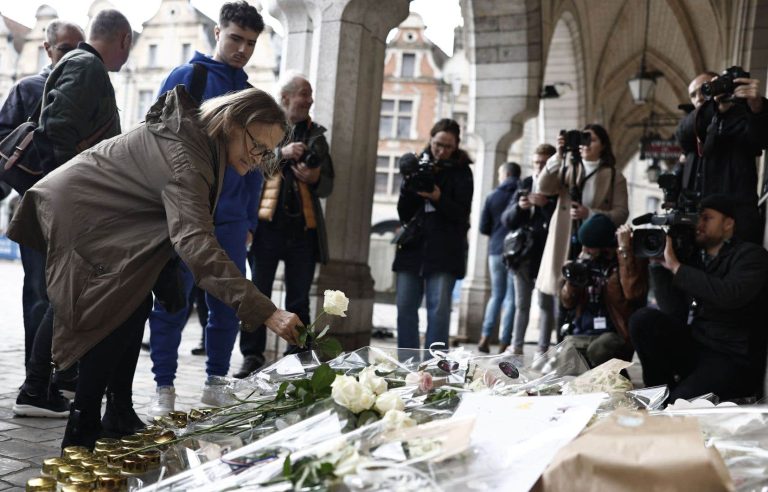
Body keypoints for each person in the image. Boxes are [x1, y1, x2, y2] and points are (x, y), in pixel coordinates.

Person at [7, 86, 303, 449]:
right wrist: (268, 311)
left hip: (107, 216)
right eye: (257, 146)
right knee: (112, 309)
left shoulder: (203, 144)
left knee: (134, 304)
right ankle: (81, 428)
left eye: (267, 152)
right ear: (231, 123)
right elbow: (195, 242)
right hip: (84, 214)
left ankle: (118, 413)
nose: (259, 158)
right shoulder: (188, 158)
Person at [146, 0, 266, 417]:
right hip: (184, 215)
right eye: (235, 38)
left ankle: (216, 383)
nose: (242, 50)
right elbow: (154, 142)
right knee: (172, 304)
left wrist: (249, 220)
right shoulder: (188, 78)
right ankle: (164, 388)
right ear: (218, 33)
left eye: (251, 43)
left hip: (232, 219)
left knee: (229, 305)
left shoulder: (252, 95)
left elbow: (257, 164)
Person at [11, 10, 131, 419]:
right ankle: (36, 388)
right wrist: (79, 195)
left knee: (64, 296)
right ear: (124, 40)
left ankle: (47, 382)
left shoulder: (84, 66)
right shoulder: (86, 67)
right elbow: (56, 133)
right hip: (70, 207)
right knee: (58, 296)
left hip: (70, 204)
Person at [235, 73, 335, 377]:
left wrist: (316, 178)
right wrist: (282, 153)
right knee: (258, 293)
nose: (309, 100)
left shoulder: (317, 136)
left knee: (299, 298)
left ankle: (298, 356)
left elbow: (329, 184)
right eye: (304, 94)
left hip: (303, 231)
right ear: (286, 98)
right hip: (266, 228)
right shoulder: (267, 128)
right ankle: (252, 356)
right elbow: (249, 163)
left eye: (310, 94)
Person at [0, 20, 84, 368]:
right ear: (48, 50)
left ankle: (62, 371)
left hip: (77, 214)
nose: (73, 57)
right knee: (37, 290)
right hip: (34, 207)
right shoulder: (27, 89)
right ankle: (36, 375)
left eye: (80, 49)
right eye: (65, 49)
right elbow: (4, 144)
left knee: (71, 295)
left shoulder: (90, 92)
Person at [630, 194, 768, 403]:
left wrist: (677, 268)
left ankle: (673, 399)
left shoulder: (751, 256)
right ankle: (658, 394)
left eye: (707, 218)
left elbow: (729, 295)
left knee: (679, 407)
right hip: (699, 346)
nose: (699, 225)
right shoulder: (695, 259)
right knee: (643, 320)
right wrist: (659, 265)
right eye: (698, 219)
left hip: (732, 356)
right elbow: (674, 313)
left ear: (728, 223)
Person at [535, 124, 629, 356]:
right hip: (566, 240)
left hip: (595, 246)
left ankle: (588, 350)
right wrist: (558, 155)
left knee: (587, 296)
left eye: (592, 139)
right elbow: (543, 186)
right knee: (563, 292)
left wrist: (592, 214)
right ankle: (561, 352)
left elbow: (621, 213)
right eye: (583, 139)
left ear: (603, 145)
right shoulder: (568, 166)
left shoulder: (614, 175)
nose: (586, 144)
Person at [392, 119, 473, 350]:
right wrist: (410, 186)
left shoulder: (462, 172)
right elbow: (404, 214)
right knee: (405, 307)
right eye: (438, 144)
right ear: (431, 139)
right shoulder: (416, 166)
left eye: (448, 146)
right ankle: (405, 366)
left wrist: (438, 198)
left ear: (456, 145)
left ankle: (435, 368)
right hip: (413, 248)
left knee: (438, 312)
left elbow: (461, 213)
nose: (442, 150)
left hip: (445, 250)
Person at [676, 71, 768, 243]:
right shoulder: (694, 123)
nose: (699, 97)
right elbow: (682, 135)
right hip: (695, 226)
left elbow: (761, 138)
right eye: (693, 94)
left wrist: (758, 107)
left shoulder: (743, 117)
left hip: (734, 227)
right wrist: (713, 108)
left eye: (705, 89)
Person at [560, 216, 648, 367]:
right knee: (564, 357)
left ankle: (616, 381)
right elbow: (567, 302)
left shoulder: (627, 262)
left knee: (599, 350)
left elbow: (632, 293)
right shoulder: (586, 262)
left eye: (589, 246)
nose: (585, 250)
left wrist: (624, 250)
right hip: (585, 331)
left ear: (605, 247)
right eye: (583, 245)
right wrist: (574, 276)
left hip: (615, 333)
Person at [501, 143, 558, 355]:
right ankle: (516, 346)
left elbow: (558, 223)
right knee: (521, 303)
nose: (539, 167)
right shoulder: (525, 183)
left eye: (544, 163)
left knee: (545, 303)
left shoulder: (558, 188)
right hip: (522, 253)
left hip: (546, 254)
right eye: (536, 163)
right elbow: (506, 220)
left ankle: (543, 349)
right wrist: (520, 207)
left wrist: (545, 205)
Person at [477, 161, 520, 353]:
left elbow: (483, 227)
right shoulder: (521, 195)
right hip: (516, 252)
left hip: (495, 250)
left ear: (506, 174)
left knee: (496, 295)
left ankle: (485, 337)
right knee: (511, 298)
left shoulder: (492, 196)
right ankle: (504, 342)